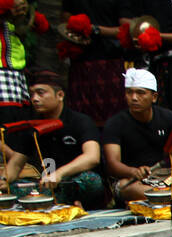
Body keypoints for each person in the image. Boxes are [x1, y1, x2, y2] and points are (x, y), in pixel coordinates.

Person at [101, 69, 172, 206]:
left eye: (140, 93)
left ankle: (165, 195)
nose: (134, 98)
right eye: (130, 92)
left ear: (154, 97)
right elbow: (112, 164)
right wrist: (133, 171)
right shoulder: (115, 123)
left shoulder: (167, 117)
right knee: (127, 188)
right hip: (134, 180)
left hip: (166, 176)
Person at [2, 71, 103, 209]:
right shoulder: (33, 126)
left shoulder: (80, 121)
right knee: (13, 188)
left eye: (40, 93)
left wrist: (60, 173)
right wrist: (4, 180)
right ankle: (60, 204)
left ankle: (63, 204)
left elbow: (92, 157)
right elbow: (16, 164)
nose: (35, 98)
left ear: (60, 95)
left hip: (73, 181)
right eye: (32, 94)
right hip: (46, 185)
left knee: (91, 180)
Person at [63, 0, 130, 126]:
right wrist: (74, 26)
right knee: (80, 118)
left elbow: (126, 29)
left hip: (110, 60)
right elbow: (66, 18)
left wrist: (94, 29)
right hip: (81, 61)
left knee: (113, 119)